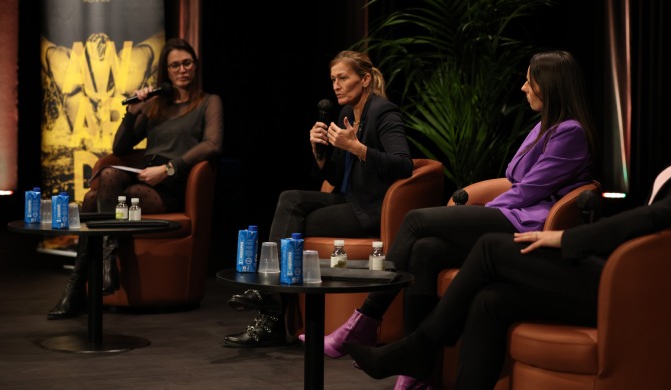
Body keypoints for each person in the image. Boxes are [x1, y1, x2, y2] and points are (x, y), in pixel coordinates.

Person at [344, 42, 671, 389]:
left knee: (493, 248)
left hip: (639, 285)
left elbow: (660, 216)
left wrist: (567, 240)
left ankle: (415, 347)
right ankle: (423, 356)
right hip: (631, 272)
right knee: (491, 300)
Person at [313, 50, 598, 390]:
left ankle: (366, 317)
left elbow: (528, 191)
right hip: (510, 212)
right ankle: (419, 369)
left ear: (549, 86)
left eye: (529, 80)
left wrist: (476, 212)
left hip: (527, 223)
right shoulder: (542, 127)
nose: (523, 87)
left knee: (417, 221)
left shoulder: (570, 132)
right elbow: (515, 181)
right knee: (426, 250)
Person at [222, 50, 414, 347]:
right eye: (332, 79)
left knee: (297, 220)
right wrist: (319, 152)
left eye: (343, 78)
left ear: (364, 79)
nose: (336, 85)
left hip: (370, 209)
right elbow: (337, 178)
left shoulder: (383, 111)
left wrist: (357, 147)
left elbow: (403, 164)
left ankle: (270, 310)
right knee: (290, 199)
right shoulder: (346, 114)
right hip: (348, 199)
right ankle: (271, 306)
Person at [47, 38, 224, 320]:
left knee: (95, 202)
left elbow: (213, 144)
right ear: (166, 71)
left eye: (187, 63)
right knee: (100, 187)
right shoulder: (156, 106)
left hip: (172, 184)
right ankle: (104, 267)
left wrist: (168, 169)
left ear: (195, 66)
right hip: (141, 176)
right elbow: (120, 149)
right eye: (175, 65)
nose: (182, 70)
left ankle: (77, 289)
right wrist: (132, 113)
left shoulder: (208, 102)